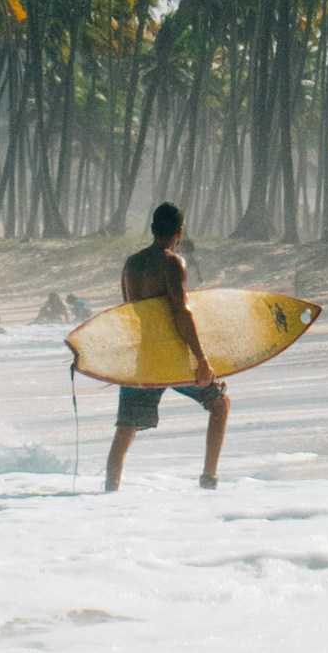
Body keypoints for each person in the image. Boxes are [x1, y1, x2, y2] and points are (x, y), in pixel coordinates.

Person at [105, 202, 229, 492]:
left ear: (151, 229)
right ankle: (209, 481)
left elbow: (129, 312)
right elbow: (181, 313)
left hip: (143, 357)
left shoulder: (131, 265)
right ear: (179, 233)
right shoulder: (172, 263)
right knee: (219, 404)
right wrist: (201, 359)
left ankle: (108, 494)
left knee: (125, 430)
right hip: (172, 356)